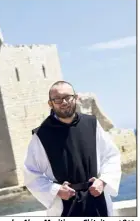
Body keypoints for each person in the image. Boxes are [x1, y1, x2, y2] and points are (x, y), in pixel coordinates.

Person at [23, 80, 121, 217]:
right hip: (64, 205)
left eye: (67, 97)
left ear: (76, 98)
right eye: (57, 99)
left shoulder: (92, 124)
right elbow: (31, 174)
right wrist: (56, 190)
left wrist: (102, 181)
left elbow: (111, 156)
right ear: (50, 103)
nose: (63, 102)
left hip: (97, 199)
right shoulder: (41, 135)